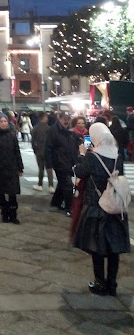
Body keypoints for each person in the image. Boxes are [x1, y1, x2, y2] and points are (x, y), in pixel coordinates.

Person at [72, 122, 130, 296]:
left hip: (95, 207)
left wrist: (82, 154)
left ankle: (100, 283)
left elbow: (79, 172)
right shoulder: (117, 156)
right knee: (113, 249)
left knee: (96, 248)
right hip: (115, 207)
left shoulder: (92, 157)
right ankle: (112, 284)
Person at [0, 115, 24, 224]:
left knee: (12, 192)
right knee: (1, 192)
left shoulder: (12, 135)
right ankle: (4, 213)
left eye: (5, 121)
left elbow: (17, 151)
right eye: (1, 121)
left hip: (11, 167)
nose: (3, 123)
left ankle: (13, 214)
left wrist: (20, 166)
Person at [45, 111, 78, 216]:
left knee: (62, 183)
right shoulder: (53, 130)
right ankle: (69, 208)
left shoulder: (68, 131)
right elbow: (48, 147)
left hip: (67, 161)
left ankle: (56, 202)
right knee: (68, 185)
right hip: (59, 162)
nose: (66, 121)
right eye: (64, 118)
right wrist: (49, 164)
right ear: (59, 118)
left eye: (68, 118)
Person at [31, 112, 54, 192]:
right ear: (44, 117)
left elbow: (33, 141)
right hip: (48, 151)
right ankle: (51, 186)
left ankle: (40, 184)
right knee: (49, 168)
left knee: (41, 168)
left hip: (39, 150)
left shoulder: (35, 128)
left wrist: (35, 150)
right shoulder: (50, 128)